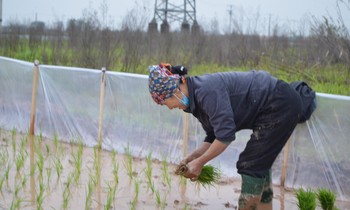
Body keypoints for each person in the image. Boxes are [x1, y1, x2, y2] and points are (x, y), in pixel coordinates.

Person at [148, 63, 315, 210]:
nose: (169, 106)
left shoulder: (206, 91)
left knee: (251, 164)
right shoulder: (194, 102)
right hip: (271, 106)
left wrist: (199, 163)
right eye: (164, 104)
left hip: (280, 103)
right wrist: (193, 156)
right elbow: (214, 135)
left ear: (180, 84)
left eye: (168, 99)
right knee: (259, 164)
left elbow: (225, 136)